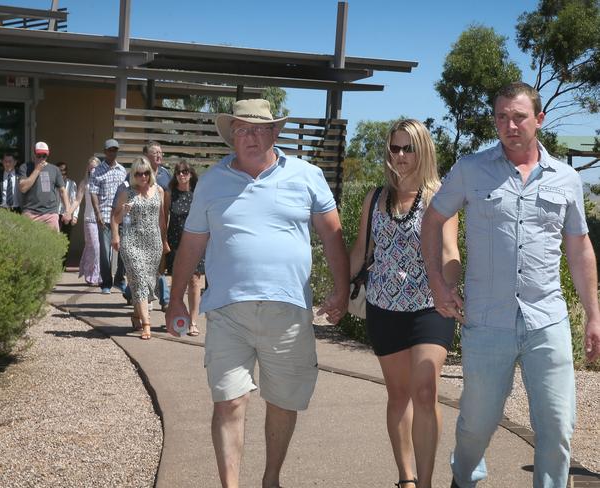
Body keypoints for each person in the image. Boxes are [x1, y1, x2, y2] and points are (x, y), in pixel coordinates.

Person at [421, 82, 600, 488]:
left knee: (557, 426)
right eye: (501, 117)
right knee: (475, 426)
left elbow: (580, 250)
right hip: (486, 323)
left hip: (547, 321)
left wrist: (594, 316)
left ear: (538, 119)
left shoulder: (567, 179)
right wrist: (437, 282)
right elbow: (433, 220)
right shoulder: (470, 169)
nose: (509, 125)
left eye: (518, 116)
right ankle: (464, 480)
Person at [164, 99, 349, 488]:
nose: (249, 136)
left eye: (258, 128)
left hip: (288, 312)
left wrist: (341, 289)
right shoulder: (212, 181)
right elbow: (192, 244)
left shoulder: (307, 175)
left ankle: (271, 479)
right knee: (229, 400)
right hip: (228, 313)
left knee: (283, 402)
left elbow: (333, 235)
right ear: (231, 134)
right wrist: (175, 297)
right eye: (241, 129)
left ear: (275, 132)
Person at [350, 119, 460, 488]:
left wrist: (450, 288)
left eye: (407, 148)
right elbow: (359, 254)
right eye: (394, 148)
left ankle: (426, 482)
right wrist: (337, 290)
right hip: (384, 308)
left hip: (431, 306)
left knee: (425, 390)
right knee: (398, 395)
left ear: (423, 151)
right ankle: (407, 479)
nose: (399, 155)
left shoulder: (439, 197)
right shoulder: (375, 198)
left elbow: (449, 252)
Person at [111, 157, 167, 340]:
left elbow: (161, 219)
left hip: (153, 242)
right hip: (132, 241)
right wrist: (116, 235)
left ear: (150, 173)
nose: (142, 177)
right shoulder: (127, 193)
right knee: (140, 279)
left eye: (145, 173)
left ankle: (136, 315)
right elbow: (115, 219)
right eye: (138, 173)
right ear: (134, 175)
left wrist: (164, 241)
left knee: (145, 282)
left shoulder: (158, 190)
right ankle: (146, 323)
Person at [118, 141, 173, 306]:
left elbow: (166, 205)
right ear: (146, 156)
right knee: (140, 270)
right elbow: (123, 201)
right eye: (155, 152)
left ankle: (162, 299)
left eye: (161, 152)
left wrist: (165, 234)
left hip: (156, 229)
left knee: (156, 268)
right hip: (135, 232)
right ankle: (138, 294)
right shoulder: (135, 173)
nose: (159, 155)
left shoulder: (165, 175)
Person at [164, 160, 204, 336]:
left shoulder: (198, 194)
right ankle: (179, 315)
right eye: (179, 172)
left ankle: (193, 321)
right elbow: (163, 219)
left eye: (185, 171)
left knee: (194, 281)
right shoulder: (169, 194)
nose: (182, 175)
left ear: (191, 174)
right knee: (178, 282)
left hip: (195, 243)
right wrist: (164, 241)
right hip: (175, 242)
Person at [89, 138, 128, 294]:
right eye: (110, 150)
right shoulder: (97, 171)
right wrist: (97, 212)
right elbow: (93, 193)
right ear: (105, 152)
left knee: (124, 250)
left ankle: (119, 279)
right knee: (105, 252)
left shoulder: (122, 170)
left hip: (122, 217)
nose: (113, 152)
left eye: (115, 150)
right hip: (104, 216)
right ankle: (106, 282)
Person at [18, 141, 70, 231]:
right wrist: (37, 170)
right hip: (30, 213)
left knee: (52, 244)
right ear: (33, 155)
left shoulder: (55, 169)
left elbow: (62, 191)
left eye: (44, 156)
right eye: (39, 155)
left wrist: (68, 211)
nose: (42, 158)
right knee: (29, 244)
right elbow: (23, 188)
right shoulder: (25, 167)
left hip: (50, 214)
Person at [75, 156, 102, 286]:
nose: (93, 170)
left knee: (96, 248)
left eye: (95, 168)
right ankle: (92, 276)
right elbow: (77, 201)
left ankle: (97, 275)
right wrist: (71, 212)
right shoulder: (84, 183)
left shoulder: (103, 182)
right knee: (95, 247)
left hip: (101, 219)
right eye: (90, 168)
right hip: (89, 219)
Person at [56, 161, 79, 239]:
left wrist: (75, 216)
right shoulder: (53, 184)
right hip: (55, 214)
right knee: (55, 239)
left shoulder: (72, 184)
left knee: (65, 240)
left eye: (64, 171)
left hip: (67, 215)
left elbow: (75, 201)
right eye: (60, 171)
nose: (63, 173)